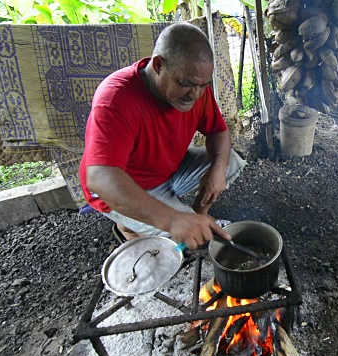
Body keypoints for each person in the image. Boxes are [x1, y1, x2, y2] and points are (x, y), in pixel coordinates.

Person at [79, 23, 246, 249]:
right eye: (185, 84)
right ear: (158, 65)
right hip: (129, 187)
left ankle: (195, 217)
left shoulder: (195, 86)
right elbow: (100, 177)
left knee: (228, 162)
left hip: (168, 170)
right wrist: (173, 220)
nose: (195, 95)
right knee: (180, 234)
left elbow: (218, 131)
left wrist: (217, 169)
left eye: (203, 85)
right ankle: (129, 228)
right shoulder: (116, 99)